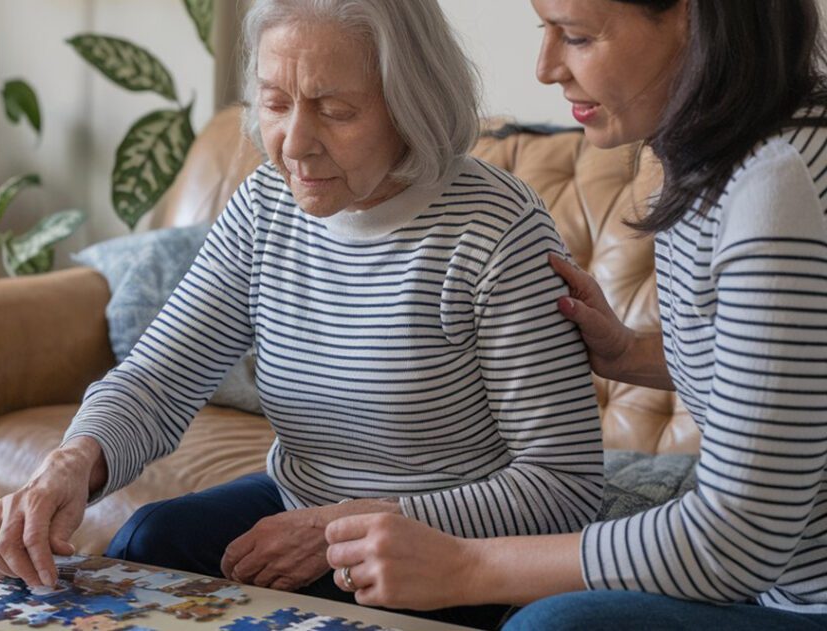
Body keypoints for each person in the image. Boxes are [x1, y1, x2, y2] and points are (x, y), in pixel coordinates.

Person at [0, 0, 603, 628]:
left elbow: (563, 487)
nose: (295, 144)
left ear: (414, 104)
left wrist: (337, 529)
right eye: (275, 103)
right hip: (301, 506)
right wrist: (73, 462)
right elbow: (159, 380)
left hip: (441, 545)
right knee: (149, 541)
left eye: (335, 111)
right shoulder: (266, 203)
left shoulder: (496, 231)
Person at [324, 0, 827, 628]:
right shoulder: (717, 156)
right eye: (546, 30)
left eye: (578, 36)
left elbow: (738, 537)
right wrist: (629, 353)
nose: (546, 67)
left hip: (798, 596)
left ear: (697, 23)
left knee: (553, 622)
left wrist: (465, 567)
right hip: (777, 586)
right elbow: (796, 374)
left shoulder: (779, 183)